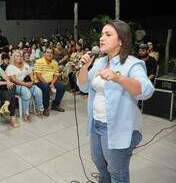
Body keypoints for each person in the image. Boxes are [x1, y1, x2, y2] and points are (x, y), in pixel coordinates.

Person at [76, 20, 154, 183]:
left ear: (121, 40)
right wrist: (84, 67)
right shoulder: (99, 62)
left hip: (118, 127)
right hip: (96, 124)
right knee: (98, 161)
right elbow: (83, 87)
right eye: (102, 34)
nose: (101, 38)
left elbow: (146, 91)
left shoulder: (133, 63)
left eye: (108, 34)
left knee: (116, 171)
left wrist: (118, 78)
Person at [6, 51, 44, 122]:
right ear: (13, 58)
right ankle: (25, 114)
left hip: (27, 84)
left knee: (38, 91)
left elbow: (31, 74)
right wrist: (25, 84)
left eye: (20, 56)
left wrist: (32, 82)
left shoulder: (25, 65)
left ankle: (40, 109)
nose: (19, 57)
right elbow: (13, 79)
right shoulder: (10, 67)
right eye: (16, 56)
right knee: (26, 93)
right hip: (15, 86)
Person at [34, 48, 65, 116]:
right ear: (44, 54)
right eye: (47, 52)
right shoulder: (39, 61)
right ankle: (46, 108)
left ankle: (55, 105)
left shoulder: (55, 63)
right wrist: (48, 84)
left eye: (51, 53)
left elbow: (56, 75)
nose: (49, 54)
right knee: (46, 87)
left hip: (51, 81)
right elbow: (38, 76)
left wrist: (52, 83)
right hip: (39, 82)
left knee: (61, 86)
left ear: (53, 55)